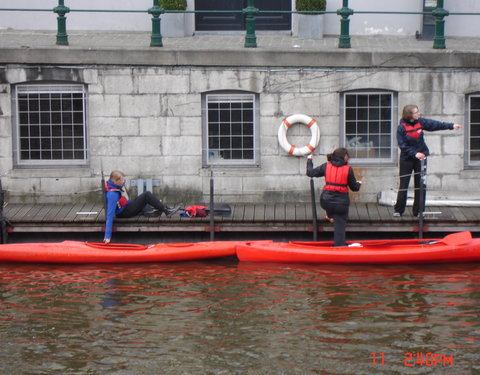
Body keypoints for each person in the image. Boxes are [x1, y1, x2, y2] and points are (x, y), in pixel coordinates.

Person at [394, 105, 462, 217]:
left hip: (421, 159)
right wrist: (415, 153)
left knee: (421, 185)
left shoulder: (420, 122)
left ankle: (419, 211)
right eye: (416, 112)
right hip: (407, 159)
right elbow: (403, 146)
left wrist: (452, 126)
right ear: (410, 115)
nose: (418, 113)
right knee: (404, 185)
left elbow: (435, 124)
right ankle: (398, 210)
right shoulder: (401, 128)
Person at [103, 170, 179, 244]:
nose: (123, 181)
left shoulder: (114, 184)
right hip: (124, 213)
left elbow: (124, 199)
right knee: (147, 195)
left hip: (127, 206)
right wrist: (107, 236)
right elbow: (110, 215)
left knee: (149, 203)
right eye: (122, 180)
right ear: (116, 181)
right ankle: (166, 211)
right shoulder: (111, 195)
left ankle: (160, 209)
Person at [307, 148, 362, 247]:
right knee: (340, 220)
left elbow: (310, 172)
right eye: (347, 156)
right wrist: (359, 183)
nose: (348, 157)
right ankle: (339, 245)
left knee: (332, 208)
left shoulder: (326, 166)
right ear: (343, 157)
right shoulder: (348, 169)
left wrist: (309, 159)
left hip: (325, 202)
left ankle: (331, 216)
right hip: (340, 205)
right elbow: (354, 188)